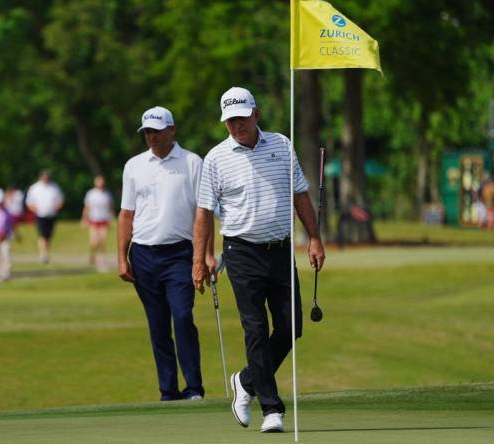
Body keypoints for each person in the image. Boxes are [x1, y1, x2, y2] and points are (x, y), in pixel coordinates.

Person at [192, 87, 325, 433]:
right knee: (255, 328)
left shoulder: (282, 144)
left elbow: (300, 194)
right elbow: (204, 212)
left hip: (281, 250)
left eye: (241, 118)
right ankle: (271, 408)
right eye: (229, 120)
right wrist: (199, 258)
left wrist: (314, 237)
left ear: (256, 114)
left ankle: (246, 381)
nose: (235, 125)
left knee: (290, 326)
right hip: (241, 252)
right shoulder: (216, 158)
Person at [118, 106, 208, 402]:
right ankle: (168, 391)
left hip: (180, 254)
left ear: (172, 130)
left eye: (156, 131)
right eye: (147, 132)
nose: (151, 137)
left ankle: (193, 388)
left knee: (182, 317)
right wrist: (122, 256)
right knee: (157, 325)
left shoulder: (192, 162)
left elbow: (203, 213)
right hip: (143, 254)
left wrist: (206, 254)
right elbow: (126, 214)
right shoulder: (134, 166)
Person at [26, 171, 64, 264]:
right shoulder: (34, 188)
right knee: (42, 235)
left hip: (51, 215)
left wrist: (56, 208)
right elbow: (29, 202)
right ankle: (43, 254)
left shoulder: (55, 187)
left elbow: (60, 200)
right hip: (40, 216)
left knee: (48, 236)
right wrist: (37, 210)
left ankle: (46, 253)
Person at [81, 175, 113, 271]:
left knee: (102, 241)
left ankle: (101, 259)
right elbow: (87, 207)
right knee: (94, 242)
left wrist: (111, 218)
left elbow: (109, 208)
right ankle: (92, 255)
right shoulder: (91, 194)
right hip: (93, 220)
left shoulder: (107, 194)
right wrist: (84, 218)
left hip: (103, 220)